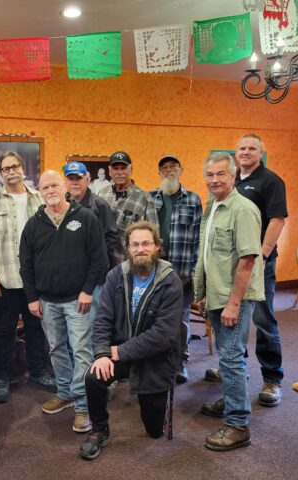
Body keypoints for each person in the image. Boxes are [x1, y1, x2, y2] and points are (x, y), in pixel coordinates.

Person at [79, 221, 182, 460]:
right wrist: (102, 354)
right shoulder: (115, 276)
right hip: (118, 351)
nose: (140, 249)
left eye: (146, 243)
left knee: (154, 431)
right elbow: (102, 319)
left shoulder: (170, 281)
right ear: (128, 248)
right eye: (134, 244)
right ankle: (99, 429)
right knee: (93, 377)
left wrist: (120, 351)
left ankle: (158, 410)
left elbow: (163, 335)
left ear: (157, 247)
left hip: (155, 358)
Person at [20, 170, 108, 433]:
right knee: (57, 349)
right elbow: (26, 265)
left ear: (63, 187)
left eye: (54, 185)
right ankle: (65, 392)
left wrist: (88, 290)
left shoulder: (85, 218)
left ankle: (83, 407)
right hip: (47, 302)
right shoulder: (34, 224)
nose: (50, 190)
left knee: (82, 352)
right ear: (40, 191)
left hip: (78, 300)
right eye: (44, 187)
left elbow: (99, 258)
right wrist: (32, 298)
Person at [194, 151, 264, 452]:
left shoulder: (243, 209)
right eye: (209, 174)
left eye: (220, 174)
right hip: (219, 293)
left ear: (233, 176)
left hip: (235, 298)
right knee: (229, 355)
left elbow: (247, 260)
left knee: (232, 358)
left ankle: (237, 424)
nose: (214, 180)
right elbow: (211, 256)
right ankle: (233, 400)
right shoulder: (214, 206)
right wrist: (203, 292)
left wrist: (234, 303)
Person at [0, 151, 55, 404]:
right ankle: (2, 377)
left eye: (15, 167)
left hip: (37, 280)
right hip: (6, 280)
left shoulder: (38, 200)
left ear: (23, 169)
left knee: (36, 329)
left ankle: (39, 372)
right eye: (5, 169)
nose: (11, 172)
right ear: (0, 174)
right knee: (4, 331)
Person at [234, 134, 287, 407]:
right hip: (233, 262)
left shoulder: (270, 180)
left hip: (259, 262)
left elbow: (278, 219)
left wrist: (263, 254)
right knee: (233, 315)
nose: (246, 152)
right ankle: (234, 370)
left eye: (251, 148)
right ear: (235, 153)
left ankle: (272, 379)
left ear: (260, 152)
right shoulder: (233, 180)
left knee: (263, 319)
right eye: (241, 148)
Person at [149, 155, 202, 384]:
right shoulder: (150, 199)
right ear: (159, 172)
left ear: (181, 170)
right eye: (164, 168)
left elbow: (199, 238)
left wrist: (195, 272)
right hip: (154, 271)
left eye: (173, 167)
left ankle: (180, 362)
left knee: (180, 321)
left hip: (182, 271)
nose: (169, 171)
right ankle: (156, 361)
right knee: (153, 317)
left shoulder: (193, 199)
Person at [63, 161, 120, 321]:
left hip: (93, 281)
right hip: (67, 279)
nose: (74, 182)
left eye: (78, 178)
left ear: (87, 180)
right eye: (71, 178)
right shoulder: (60, 205)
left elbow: (111, 239)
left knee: (90, 325)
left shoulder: (100, 206)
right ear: (65, 181)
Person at [97, 151, 159, 262]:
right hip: (103, 261)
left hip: (129, 263)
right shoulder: (101, 194)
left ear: (131, 170)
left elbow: (154, 234)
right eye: (116, 168)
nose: (120, 172)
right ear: (110, 171)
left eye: (123, 168)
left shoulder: (144, 198)